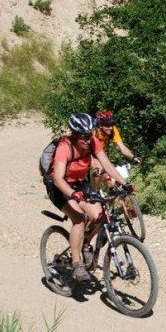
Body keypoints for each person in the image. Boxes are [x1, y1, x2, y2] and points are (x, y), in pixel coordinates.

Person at [46, 112, 131, 282]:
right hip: (60, 187)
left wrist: (123, 183)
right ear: (75, 134)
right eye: (83, 136)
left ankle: (84, 244)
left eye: (89, 134)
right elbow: (58, 179)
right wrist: (72, 194)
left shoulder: (93, 142)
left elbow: (106, 164)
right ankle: (77, 264)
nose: (87, 139)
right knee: (78, 218)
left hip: (79, 184)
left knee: (99, 215)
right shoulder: (65, 147)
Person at [91, 110, 142, 190]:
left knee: (111, 185)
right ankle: (94, 193)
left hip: (100, 154)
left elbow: (122, 148)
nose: (110, 128)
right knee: (98, 170)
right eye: (107, 125)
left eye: (111, 124)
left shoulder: (113, 130)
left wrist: (133, 157)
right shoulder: (94, 131)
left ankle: (112, 199)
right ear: (101, 125)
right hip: (90, 154)